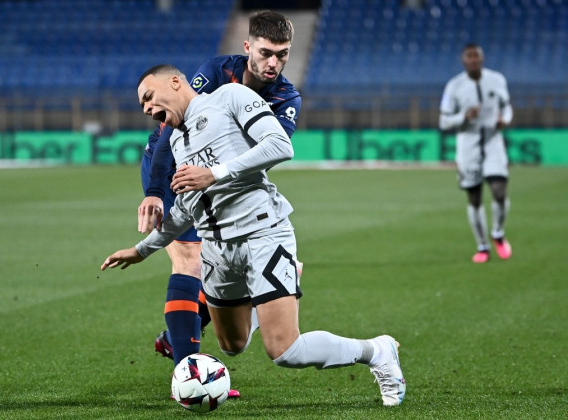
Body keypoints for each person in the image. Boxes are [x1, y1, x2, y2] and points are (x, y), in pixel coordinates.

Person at [102, 64, 406, 407]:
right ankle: (273, 292)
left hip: (262, 235)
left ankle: (376, 351)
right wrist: (141, 250)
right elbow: (186, 210)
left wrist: (214, 173)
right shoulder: (175, 141)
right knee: (233, 345)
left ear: (175, 82)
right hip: (216, 252)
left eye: (148, 97)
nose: (145, 107)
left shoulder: (228, 98)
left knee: (284, 350)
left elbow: (279, 145)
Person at [137, 11, 302, 388]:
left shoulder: (286, 97)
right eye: (265, 53)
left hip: (215, 179)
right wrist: (155, 193)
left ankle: (180, 331)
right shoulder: (216, 71)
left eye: (282, 54)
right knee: (190, 260)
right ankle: (189, 374)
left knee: (229, 271)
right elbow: (167, 133)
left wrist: (215, 178)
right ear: (248, 48)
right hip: (170, 170)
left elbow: (262, 154)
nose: (273, 63)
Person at [439, 43, 513, 263]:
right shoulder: (454, 86)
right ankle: (482, 246)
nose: (473, 60)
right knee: (474, 197)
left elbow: (507, 106)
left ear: (482, 58)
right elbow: (443, 121)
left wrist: (505, 120)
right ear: (463, 60)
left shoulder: (497, 80)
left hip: (493, 142)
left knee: (499, 190)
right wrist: (464, 116)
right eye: (469, 57)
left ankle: (498, 232)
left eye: (476, 56)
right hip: (468, 146)